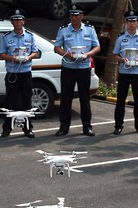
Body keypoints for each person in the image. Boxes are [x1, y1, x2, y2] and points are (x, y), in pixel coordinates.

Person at [53, 4, 100, 137]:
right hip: (69, 68)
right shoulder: (63, 30)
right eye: (72, 15)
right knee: (66, 99)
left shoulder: (90, 30)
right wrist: (68, 54)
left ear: (82, 16)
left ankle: (87, 127)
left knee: (85, 98)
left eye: (77, 15)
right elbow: (57, 48)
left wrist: (87, 55)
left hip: (84, 67)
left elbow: (97, 47)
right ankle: (64, 127)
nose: (74, 17)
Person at [0, 8, 38, 138]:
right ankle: (7, 128)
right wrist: (12, 59)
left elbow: (35, 52)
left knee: (27, 101)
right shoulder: (6, 37)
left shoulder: (30, 36)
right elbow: (1, 54)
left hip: (26, 72)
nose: (17, 22)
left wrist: (28, 57)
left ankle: (28, 128)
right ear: (12, 22)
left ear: (23, 22)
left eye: (20, 20)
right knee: (10, 102)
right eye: (15, 20)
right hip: (12, 73)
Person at [112, 10, 138, 135]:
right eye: (129, 21)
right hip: (124, 72)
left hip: (137, 73)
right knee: (120, 100)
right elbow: (115, 55)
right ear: (126, 23)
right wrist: (122, 60)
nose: (131, 24)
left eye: (134, 21)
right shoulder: (121, 38)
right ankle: (118, 126)